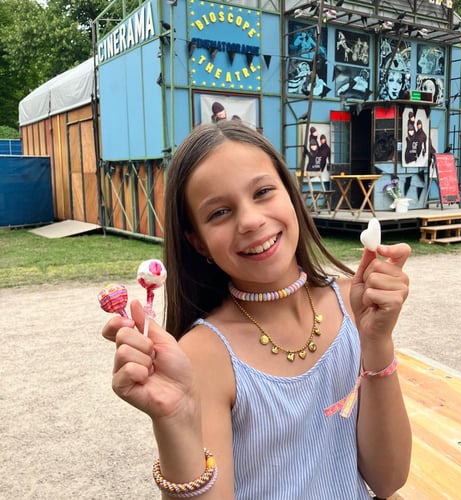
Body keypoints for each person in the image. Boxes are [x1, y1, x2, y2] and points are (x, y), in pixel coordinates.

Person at [102, 120, 412, 499]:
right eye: (219, 212)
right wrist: (175, 420)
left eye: (263, 192)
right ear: (198, 242)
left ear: (290, 192)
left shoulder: (354, 304)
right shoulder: (204, 354)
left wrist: (377, 341)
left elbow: (387, 479)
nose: (250, 220)